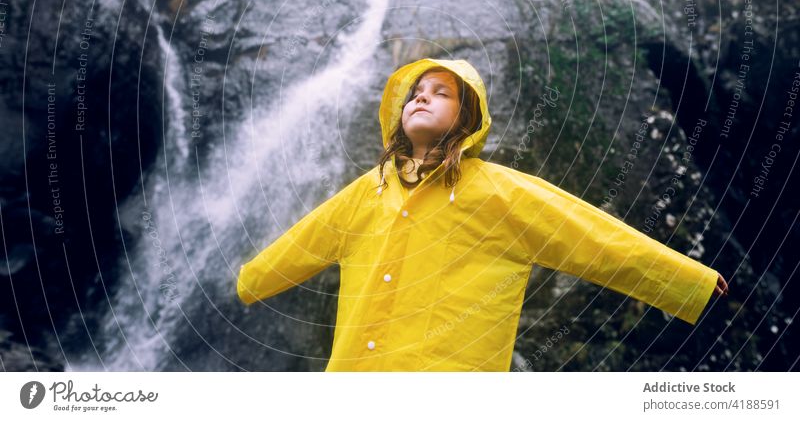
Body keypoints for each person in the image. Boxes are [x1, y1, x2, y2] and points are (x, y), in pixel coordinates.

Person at [237, 57, 729, 371]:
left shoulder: (499, 192)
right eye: (415, 92)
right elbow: (305, 240)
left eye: (441, 92)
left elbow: (590, 236)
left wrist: (685, 279)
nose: (422, 96)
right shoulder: (370, 189)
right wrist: (251, 282)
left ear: (467, 119)